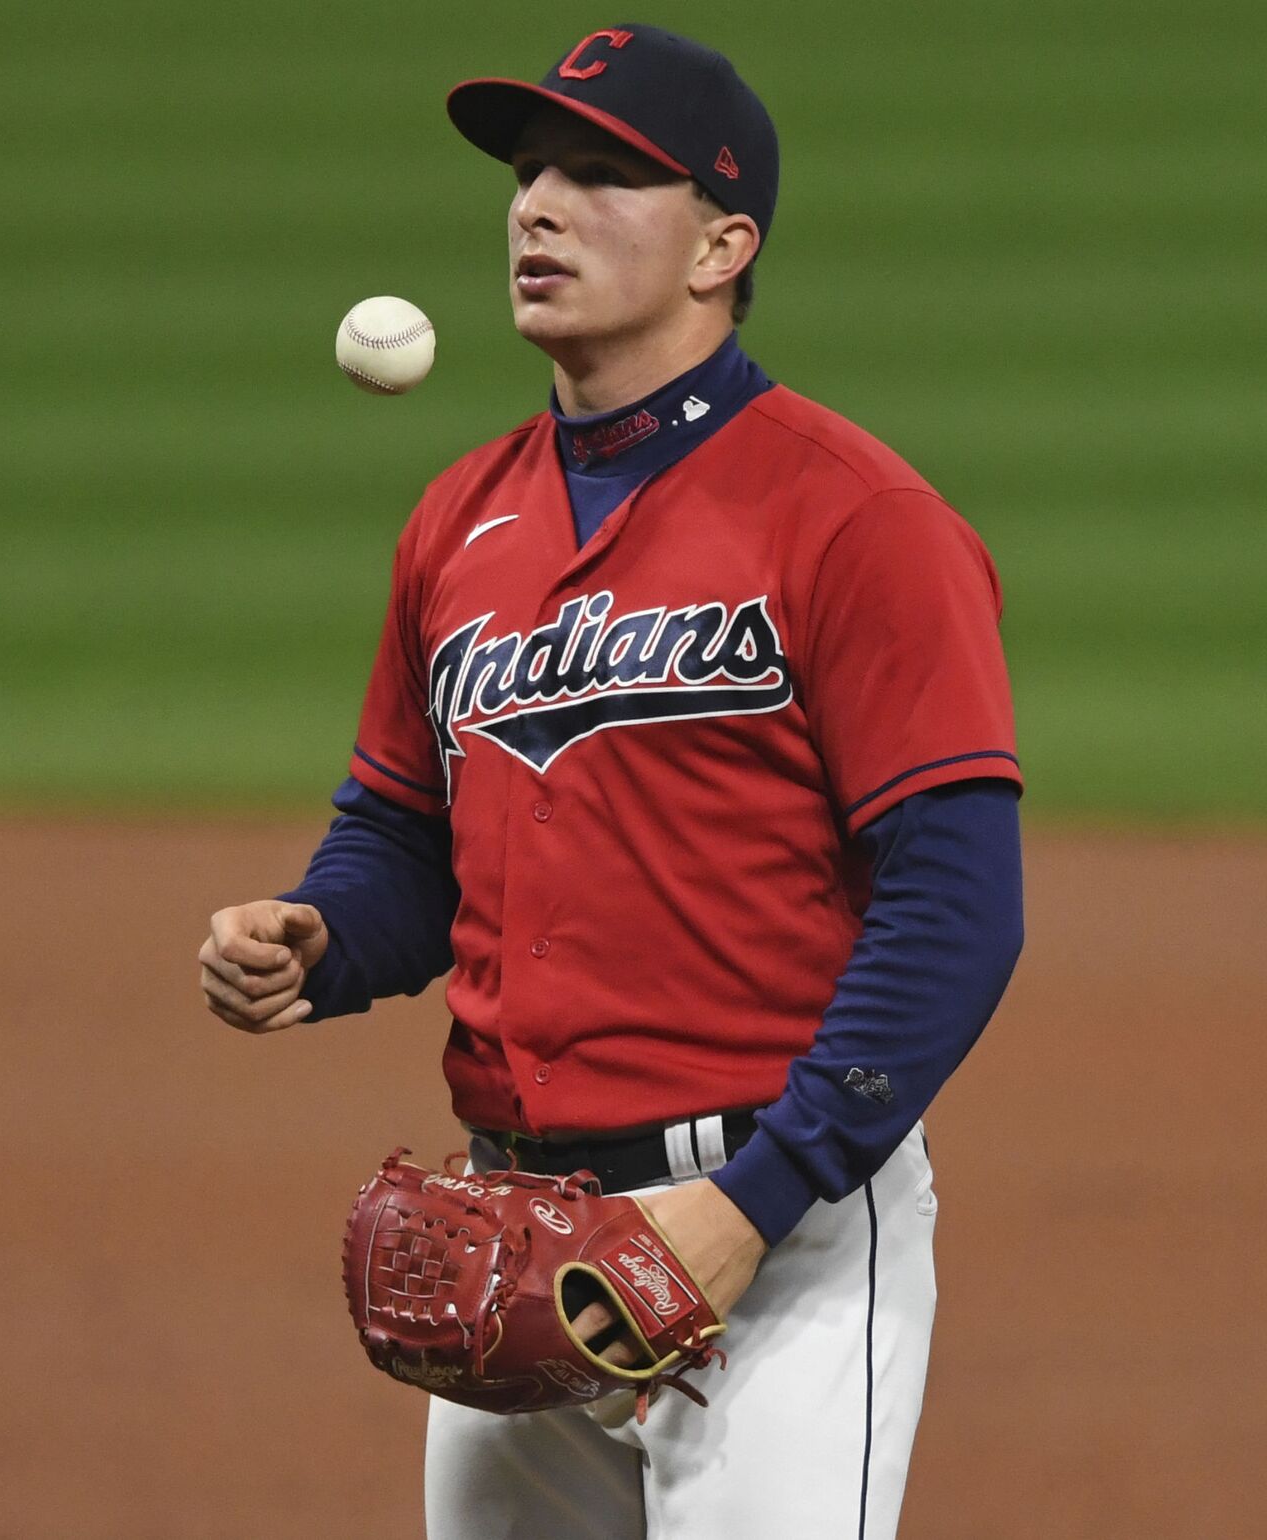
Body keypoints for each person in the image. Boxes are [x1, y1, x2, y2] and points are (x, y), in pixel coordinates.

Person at [199, 23, 1024, 1539]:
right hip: (513, 1236)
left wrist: (756, 1204)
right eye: (527, 174)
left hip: (778, 1233)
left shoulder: (856, 519)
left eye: (598, 174)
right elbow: (404, 832)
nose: (536, 204)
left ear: (725, 244)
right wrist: (323, 935)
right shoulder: (459, 521)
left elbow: (959, 905)